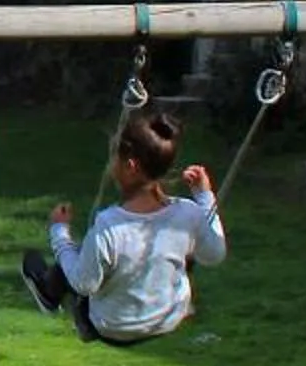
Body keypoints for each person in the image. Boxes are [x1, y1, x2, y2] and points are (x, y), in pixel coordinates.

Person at [19, 106, 226, 346]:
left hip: (114, 326)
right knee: (173, 250)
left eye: (114, 155)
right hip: (170, 317)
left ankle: (48, 290)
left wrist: (59, 232)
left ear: (130, 166)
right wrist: (204, 196)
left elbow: (83, 284)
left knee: (75, 257)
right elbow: (214, 255)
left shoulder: (109, 225)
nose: (111, 162)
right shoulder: (188, 212)